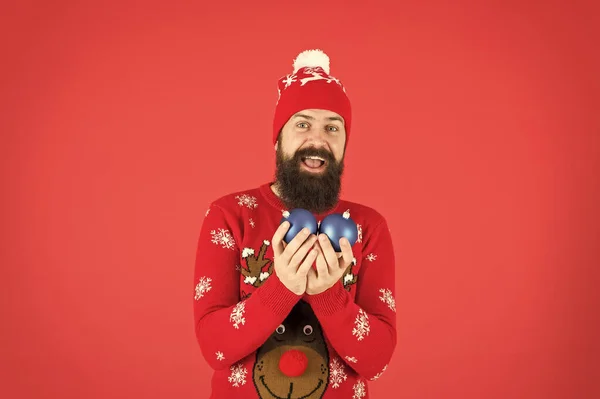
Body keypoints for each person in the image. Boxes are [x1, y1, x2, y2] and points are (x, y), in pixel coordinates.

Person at [193, 49, 397, 398]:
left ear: (345, 143)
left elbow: (376, 361)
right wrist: (282, 288)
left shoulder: (368, 226)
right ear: (278, 139)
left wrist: (328, 296)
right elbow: (215, 349)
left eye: (332, 128)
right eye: (302, 124)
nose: (317, 140)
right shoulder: (229, 216)